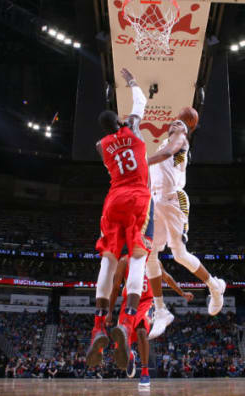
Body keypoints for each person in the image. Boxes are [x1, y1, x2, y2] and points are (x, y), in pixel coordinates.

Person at [86, 68, 158, 371]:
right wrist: (131, 81)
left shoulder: (101, 147)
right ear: (119, 121)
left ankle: (98, 326)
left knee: (109, 260)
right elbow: (140, 100)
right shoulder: (132, 128)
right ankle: (126, 322)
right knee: (138, 258)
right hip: (138, 198)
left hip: (112, 200)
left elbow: (109, 144)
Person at [144, 109, 226, 340]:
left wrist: (144, 160)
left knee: (179, 254)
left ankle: (214, 286)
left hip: (173, 200)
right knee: (150, 254)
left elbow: (169, 151)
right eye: (174, 121)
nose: (174, 123)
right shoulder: (165, 143)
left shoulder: (180, 138)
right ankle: (161, 311)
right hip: (156, 200)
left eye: (181, 120)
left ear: (186, 125)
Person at [106, 256, 193, 389]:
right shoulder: (124, 261)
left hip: (147, 302)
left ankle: (145, 372)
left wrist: (182, 293)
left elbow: (167, 277)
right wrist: (110, 311)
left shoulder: (154, 261)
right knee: (121, 342)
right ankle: (130, 356)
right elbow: (116, 287)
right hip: (129, 302)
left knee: (142, 331)